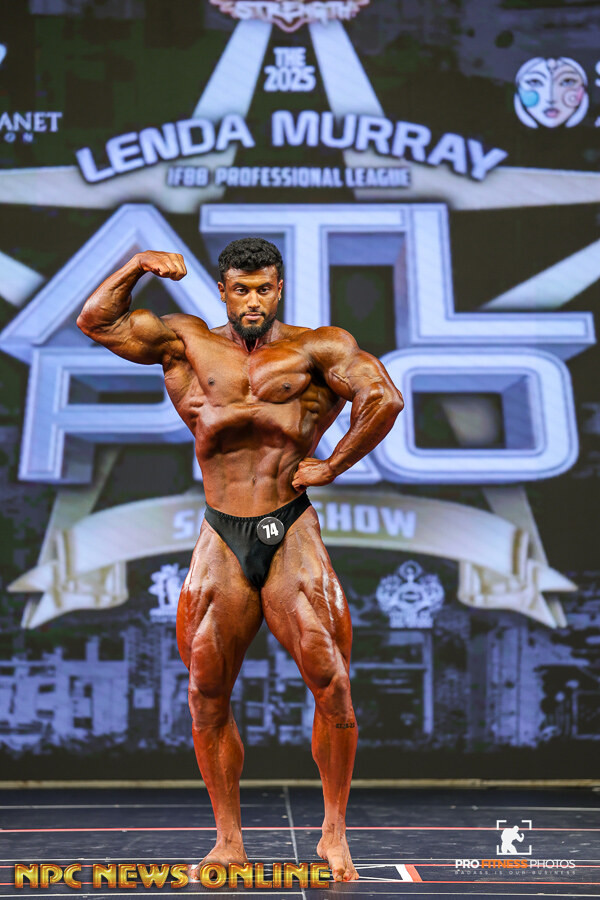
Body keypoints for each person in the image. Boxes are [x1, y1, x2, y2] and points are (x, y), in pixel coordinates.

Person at [77, 237, 404, 882]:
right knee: (205, 690)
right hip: (221, 530)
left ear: (278, 289)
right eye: (242, 290)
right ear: (224, 291)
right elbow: (97, 321)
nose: (254, 300)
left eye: (265, 289)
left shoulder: (318, 348)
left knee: (331, 680)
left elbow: (383, 397)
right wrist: (137, 266)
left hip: (291, 524)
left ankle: (333, 832)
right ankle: (228, 839)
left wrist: (333, 464)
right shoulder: (186, 342)